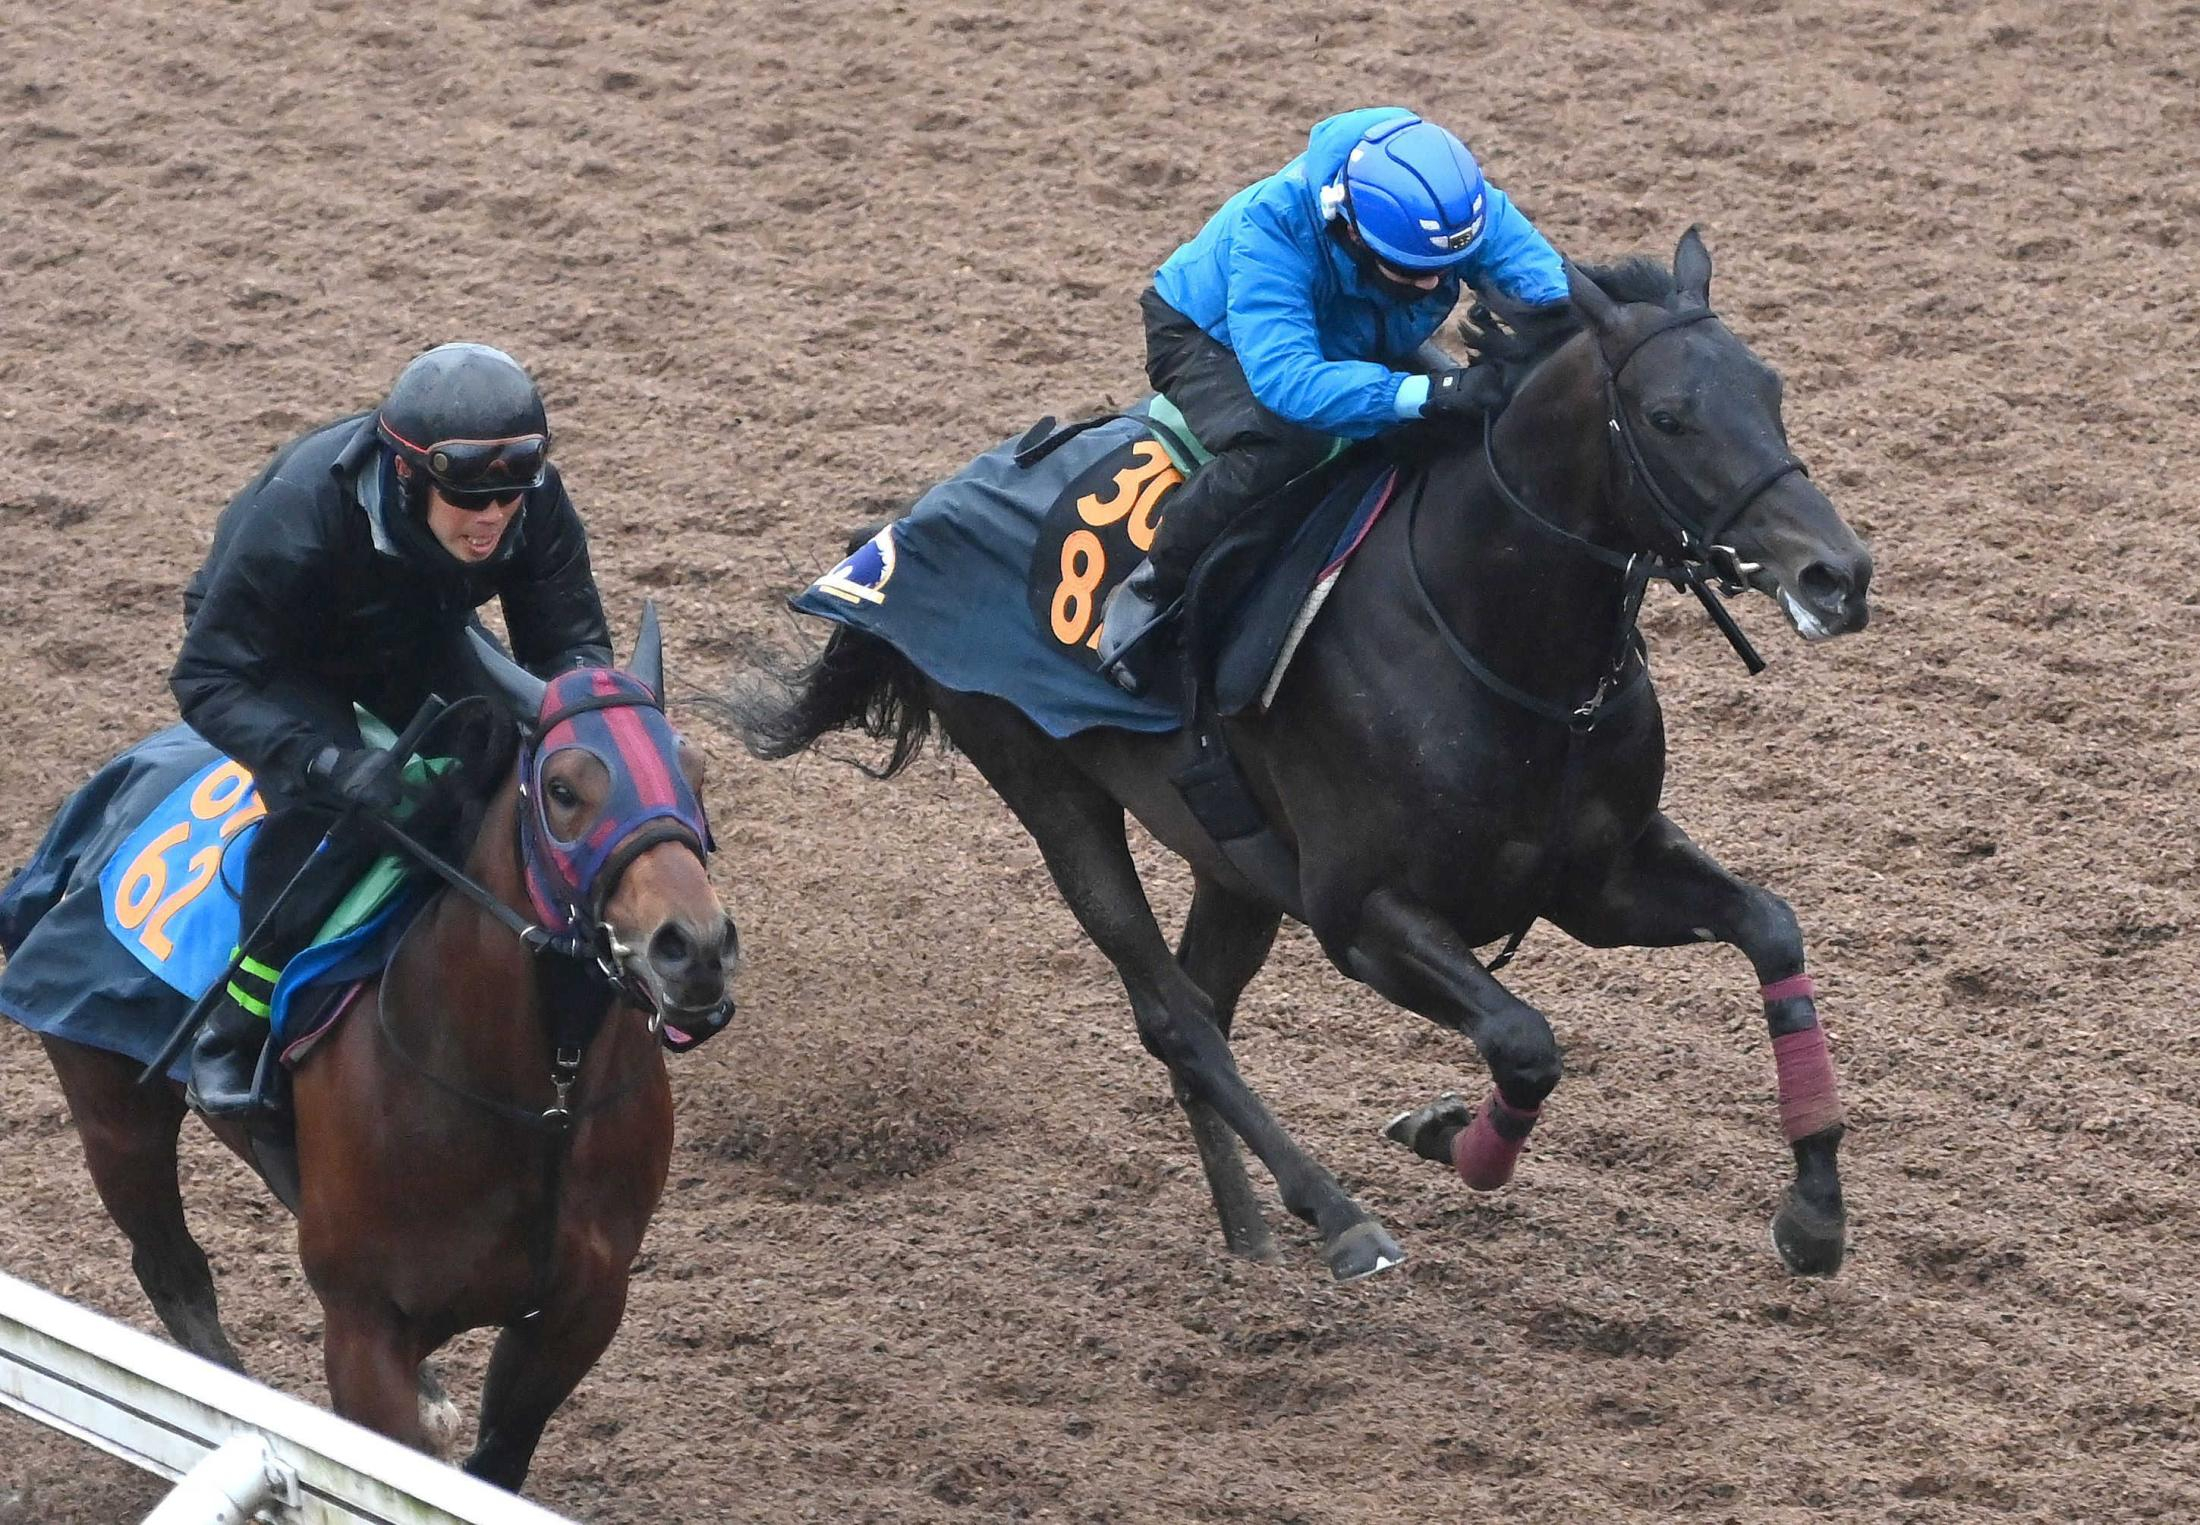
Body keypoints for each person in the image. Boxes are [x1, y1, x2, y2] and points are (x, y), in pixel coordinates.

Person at [170, 342, 614, 1116]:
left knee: (519, 761)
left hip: (414, 629)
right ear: (408, 474)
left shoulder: (530, 499)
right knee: (355, 808)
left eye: (508, 499)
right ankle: (240, 1012)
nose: (491, 520)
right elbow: (205, 678)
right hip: (285, 656)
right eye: (470, 502)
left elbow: (569, 648)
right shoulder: (301, 510)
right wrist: (325, 764)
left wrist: (589, 729)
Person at [1095, 107, 1574, 692]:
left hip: (1346, 332)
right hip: (1208, 338)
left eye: (1445, 269)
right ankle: (1155, 584)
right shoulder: (1272, 225)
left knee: (1465, 429)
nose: (1431, 284)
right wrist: (1428, 390)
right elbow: (1287, 381)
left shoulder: (1455, 207)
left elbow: (1553, 294)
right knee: (1287, 442)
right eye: (1409, 269)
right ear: (1347, 226)